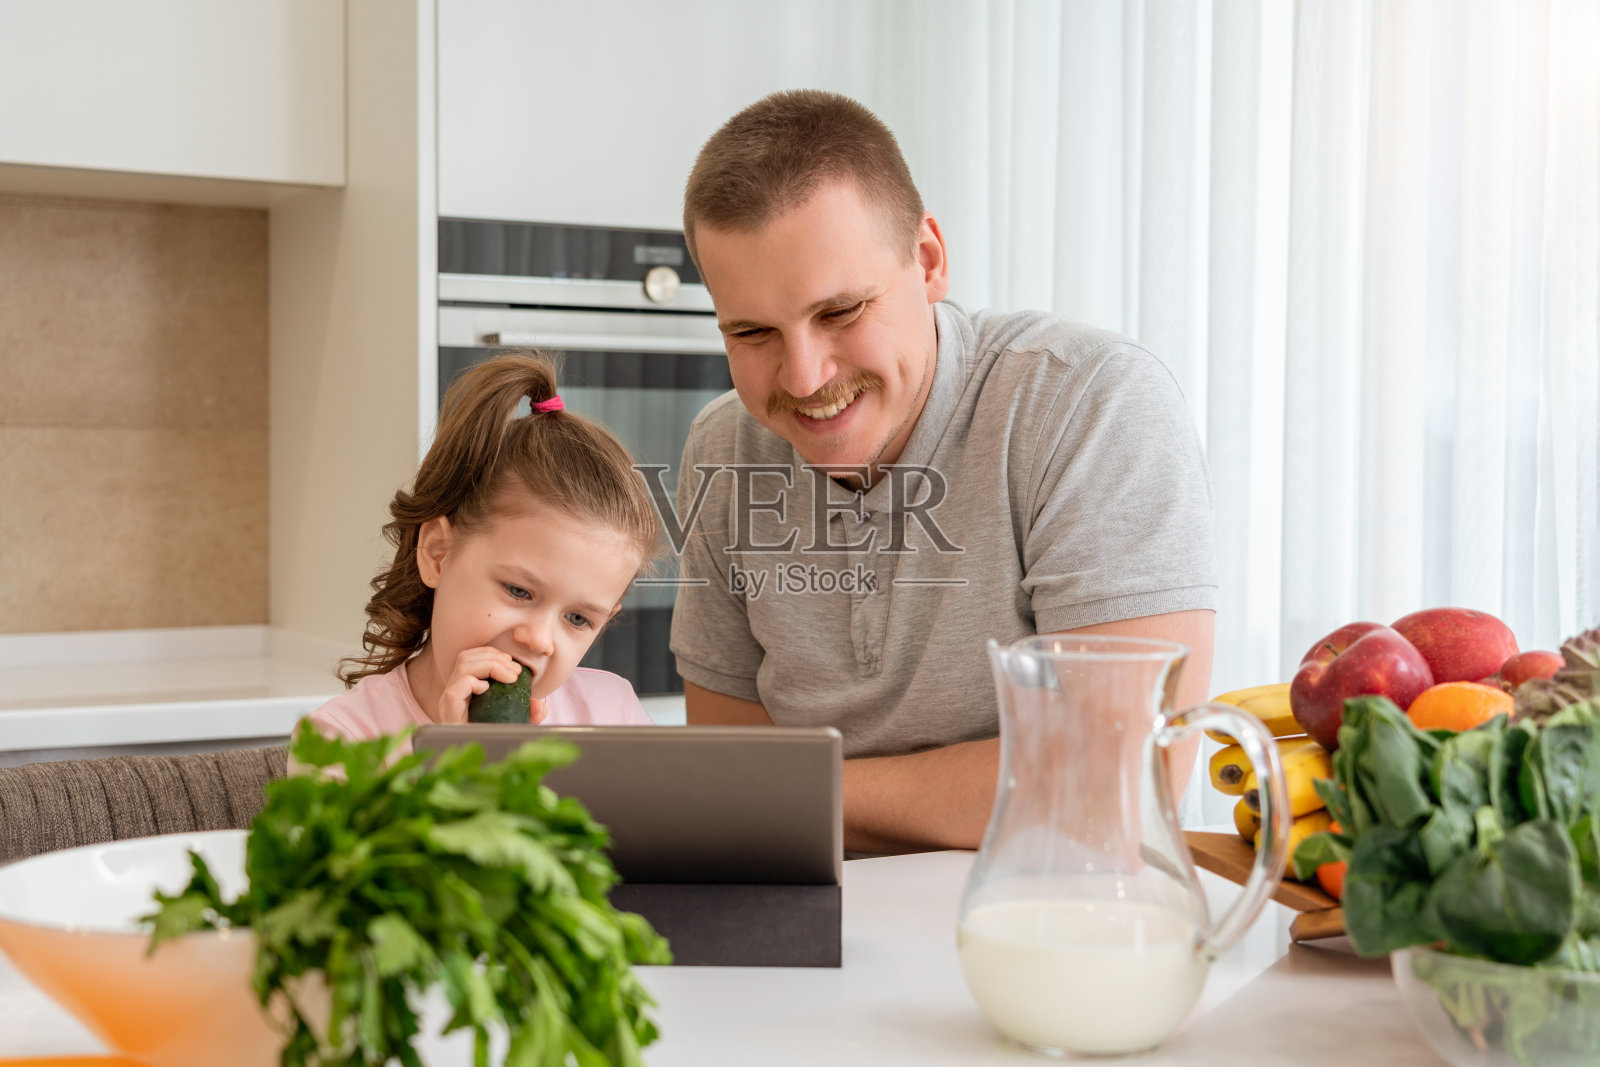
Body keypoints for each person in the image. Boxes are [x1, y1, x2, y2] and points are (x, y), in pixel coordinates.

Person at [669, 90, 1218, 854]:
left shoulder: (1090, 403)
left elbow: (1120, 775)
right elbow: (729, 784)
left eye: (841, 312)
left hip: (1044, 927)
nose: (801, 376)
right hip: (813, 928)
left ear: (928, 260)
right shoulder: (722, 447)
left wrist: (798, 792)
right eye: (753, 331)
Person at [303, 353, 661, 746]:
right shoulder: (345, 739)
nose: (539, 640)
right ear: (438, 553)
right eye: (519, 591)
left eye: (577, 619)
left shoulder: (612, 715)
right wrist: (466, 758)